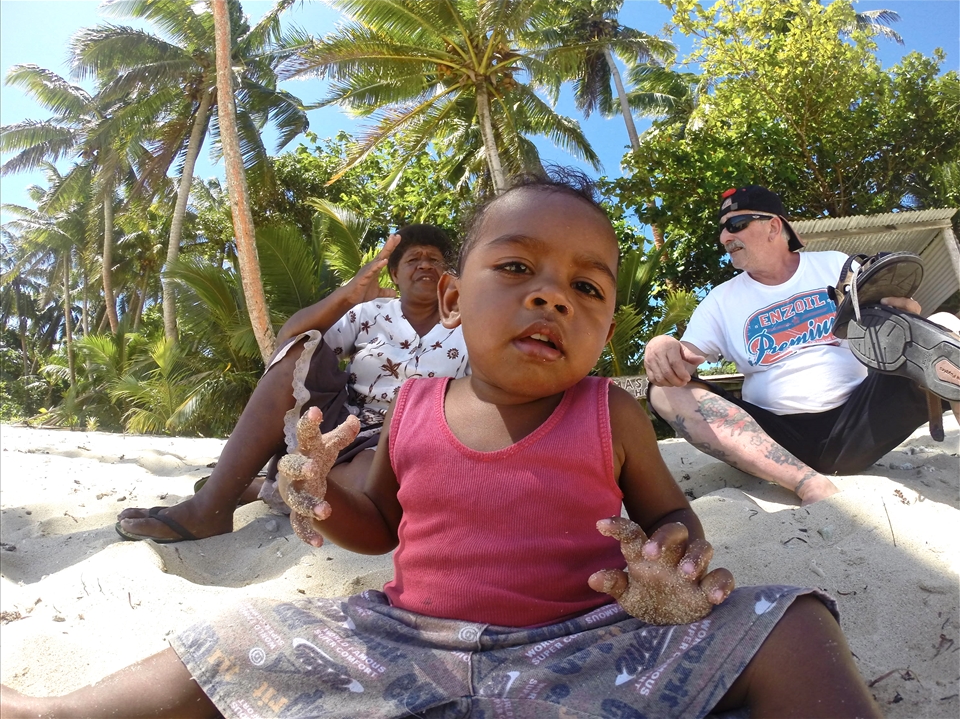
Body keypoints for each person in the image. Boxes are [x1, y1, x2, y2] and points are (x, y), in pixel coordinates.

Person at [1, 172, 881, 719]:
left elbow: (670, 515)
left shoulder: (608, 413)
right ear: (454, 302)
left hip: (587, 643)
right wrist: (318, 492)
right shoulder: (419, 406)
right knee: (230, 639)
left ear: (608, 324)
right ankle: (59, 713)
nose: (551, 297)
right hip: (404, 640)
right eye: (517, 269)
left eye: (586, 286)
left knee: (794, 620)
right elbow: (377, 525)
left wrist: (670, 564)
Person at [116, 223, 469, 542]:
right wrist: (347, 295)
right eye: (413, 259)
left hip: (409, 437)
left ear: (448, 280)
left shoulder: (471, 326)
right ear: (393, 273)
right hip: (344, 423)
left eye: (435, 260)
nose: (424, 264)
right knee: (295, 358)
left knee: (363, 493)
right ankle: (209, 508)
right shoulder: (370, 313)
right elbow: (289, 343)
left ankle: (267, 488)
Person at [644, 185, 959, 506]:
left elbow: (891, 318)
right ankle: (807, 483)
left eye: (735, 225)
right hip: (773, 441)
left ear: (773, 226)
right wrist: (661, 345)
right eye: (722, 230)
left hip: (863, 421)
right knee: (663, 391)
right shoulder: (720, 301)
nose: (725, 237)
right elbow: (679, 364)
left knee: (947, 329)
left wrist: (907, 317)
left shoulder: (835, 266)